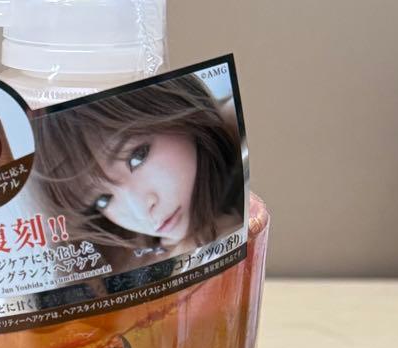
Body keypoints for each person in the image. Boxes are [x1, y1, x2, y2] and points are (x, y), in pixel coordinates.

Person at [33, 74, 243, 272]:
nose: (141, 211)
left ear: (168, 105)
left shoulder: (245, 118)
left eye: (137, 157)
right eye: (103, 200)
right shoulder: (121, 259)